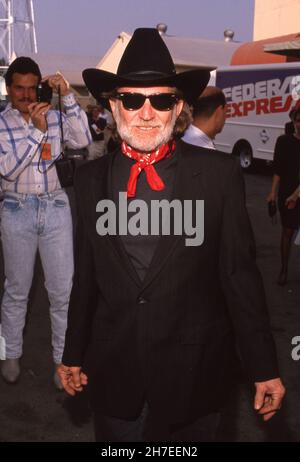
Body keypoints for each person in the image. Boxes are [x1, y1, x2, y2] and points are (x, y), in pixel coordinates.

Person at [58, 28, 285, 442]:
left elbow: (240, 278)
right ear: (113, 105)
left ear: (178, 106)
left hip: (194, 378)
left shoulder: (218, 176)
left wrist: (263, 367)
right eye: (132, 99)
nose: (146, 113)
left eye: (161, 100)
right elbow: (86, 278)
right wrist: (72, 352)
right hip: (116, 375)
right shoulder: (90, 180)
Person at [0, 57, 91, 387]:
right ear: (9, 89)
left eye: (31, 87)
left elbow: (83, 141)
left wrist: (66, 96)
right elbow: (7, 169)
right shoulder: (1, 123)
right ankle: (9, 354)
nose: (26, 96)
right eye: (19, 89)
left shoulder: (54, 115)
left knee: (63, 291)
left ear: (40, 85)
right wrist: (37, 135)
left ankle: (62, 362)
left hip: (55, 207)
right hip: (15, 208)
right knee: (15, 291)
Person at [267, 106, 300, 286]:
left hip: (294, 195)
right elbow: (278, 170)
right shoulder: (284, 142)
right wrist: (272, 192)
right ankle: (284, 269)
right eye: (298, 120)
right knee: (287, 231)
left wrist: (296, 195)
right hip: (286, 194)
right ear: (293, 121)